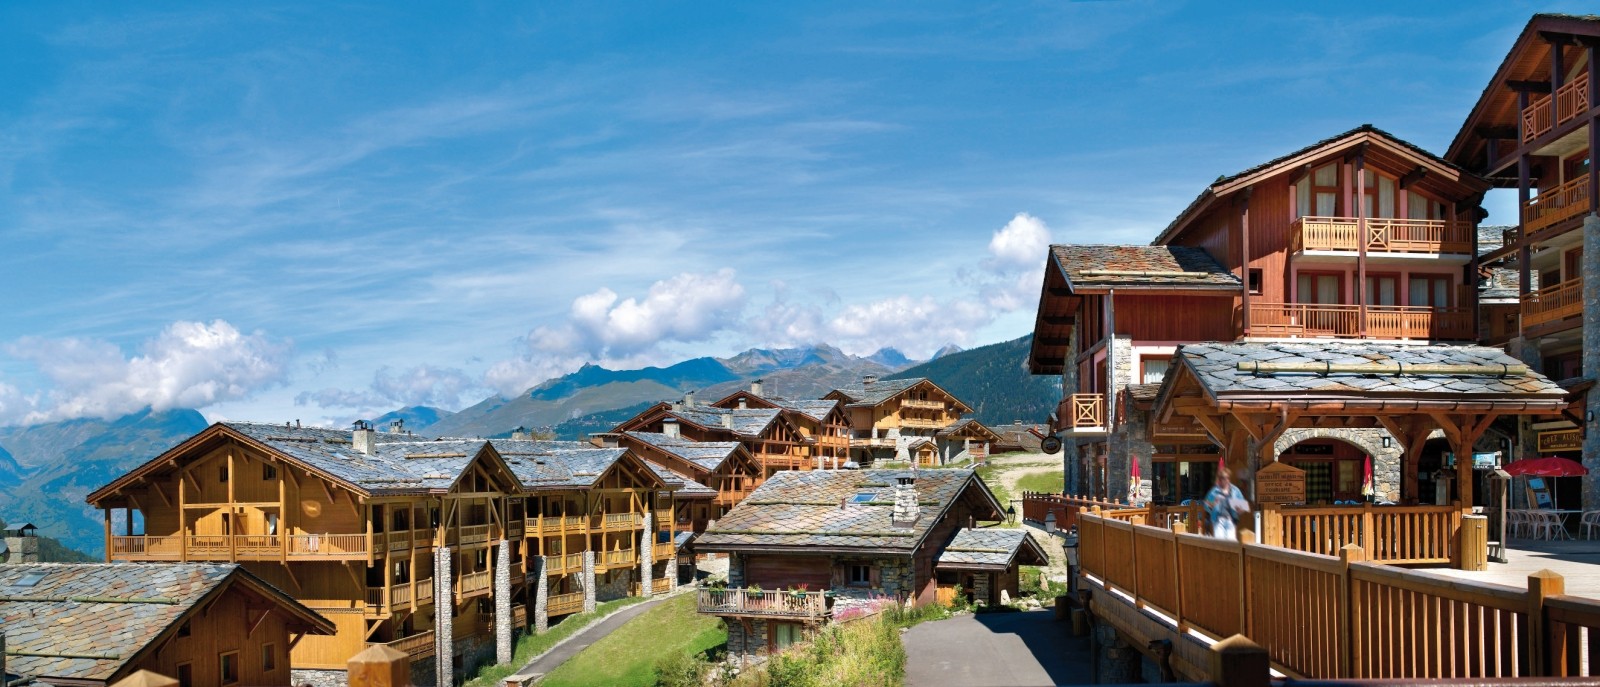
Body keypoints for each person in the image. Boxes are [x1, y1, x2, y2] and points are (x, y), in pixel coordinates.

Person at [1204, 467, 1250, 541]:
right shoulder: (1214, 491)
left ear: (1229, 479)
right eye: (1222, 478)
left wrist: (1239, 509)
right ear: (1219, 479)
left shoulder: (1235, 490)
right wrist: (1213, 504)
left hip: (1231, 520)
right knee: (1220, 543)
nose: (1225, 480)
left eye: (1227, 477)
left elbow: (1244, 505)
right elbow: (1206, 505)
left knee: (1231, 543)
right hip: (1218, 520)